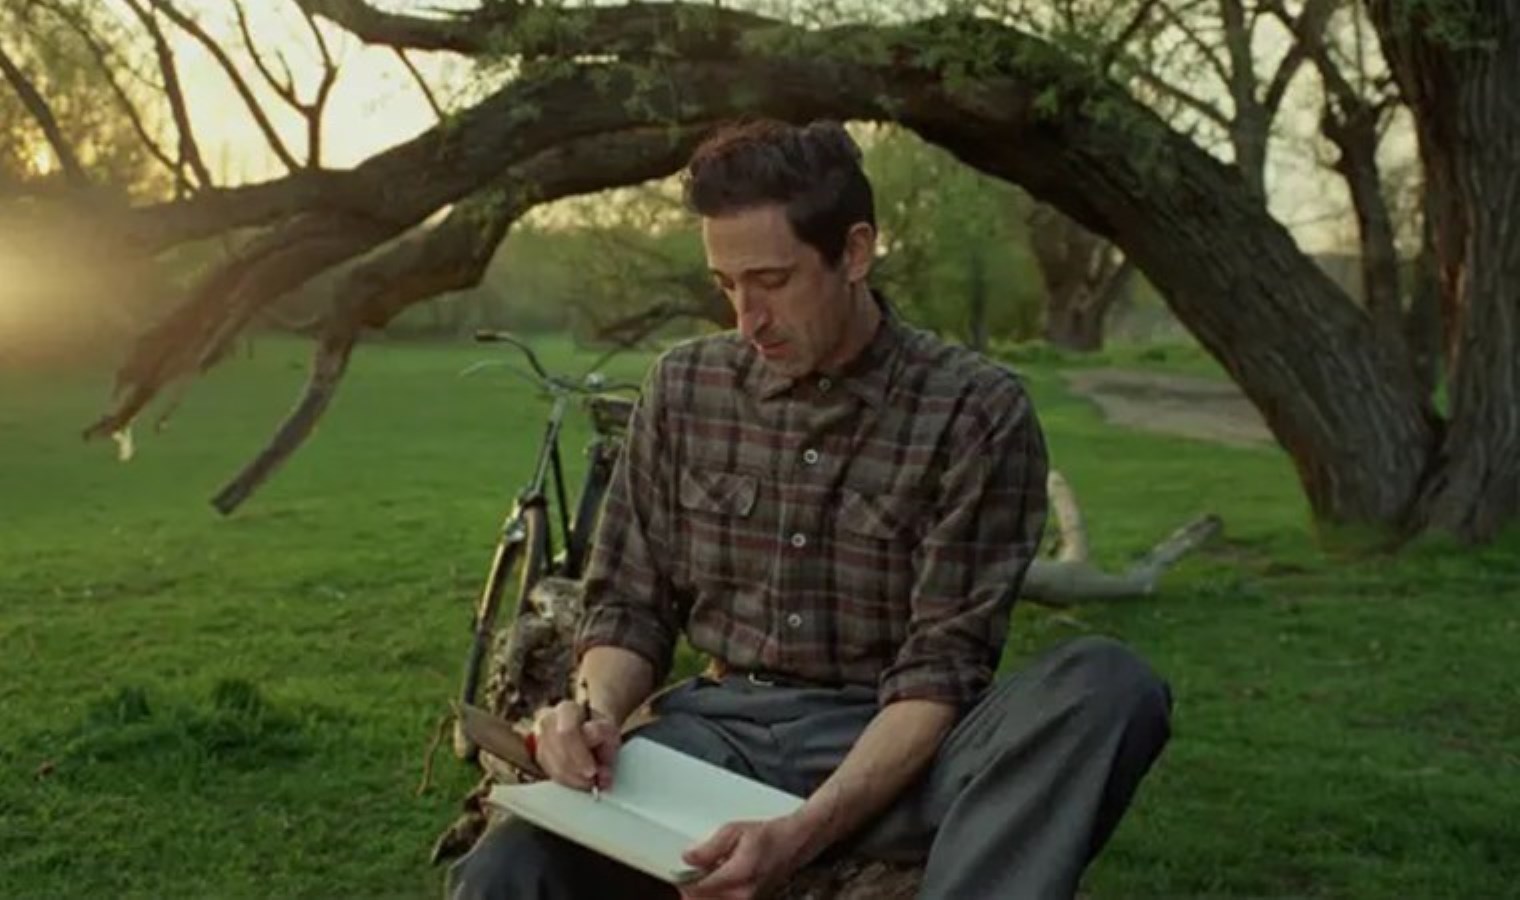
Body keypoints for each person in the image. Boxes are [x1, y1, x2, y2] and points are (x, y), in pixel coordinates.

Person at [447, 119, 1171, 900]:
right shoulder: (684, 387)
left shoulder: (975, 412)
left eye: (772, 281)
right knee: (508, 868)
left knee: (1109, 683)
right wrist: (593, 713)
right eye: (727, 285)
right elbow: (628, 606)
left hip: (900, 749)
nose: (746, 319)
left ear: (854, 253)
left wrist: (801, 834)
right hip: (714, 740)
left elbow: (942, 673)